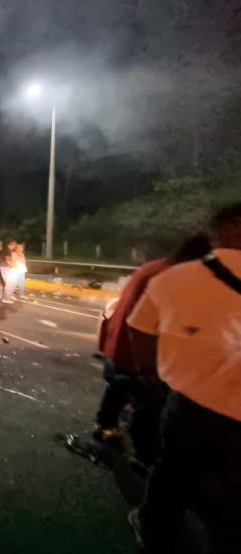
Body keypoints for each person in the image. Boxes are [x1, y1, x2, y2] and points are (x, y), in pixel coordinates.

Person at [127, 204, 241, 553]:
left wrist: (148, 372)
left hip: (191, 402)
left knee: (172, 471)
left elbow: (139, 328)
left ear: (219, 229)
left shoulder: (175, 278)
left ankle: (153, 528)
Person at [93, 234, 212, 466]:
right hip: (138, 348)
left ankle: (105, 425)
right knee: (147, 405)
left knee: (119, 386)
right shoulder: (174, 276)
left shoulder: (155, 267)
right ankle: (143, 455)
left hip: (122, 342)